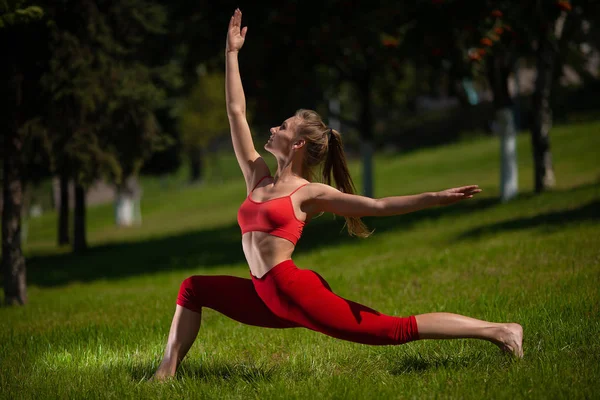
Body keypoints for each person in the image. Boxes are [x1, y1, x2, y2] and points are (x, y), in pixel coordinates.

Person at [152, 8, 523, 380]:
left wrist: (436, 198)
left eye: (281, 126)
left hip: (292, 292)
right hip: (265, 293)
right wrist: (232, 54)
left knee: (391, 330)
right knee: (193, 288)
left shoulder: (308, 193)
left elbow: (377, 206)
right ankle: (166, 373)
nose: (271, 128)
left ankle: (500, 330)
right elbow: (236, 112)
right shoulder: (257, 177)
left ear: (296, 143)